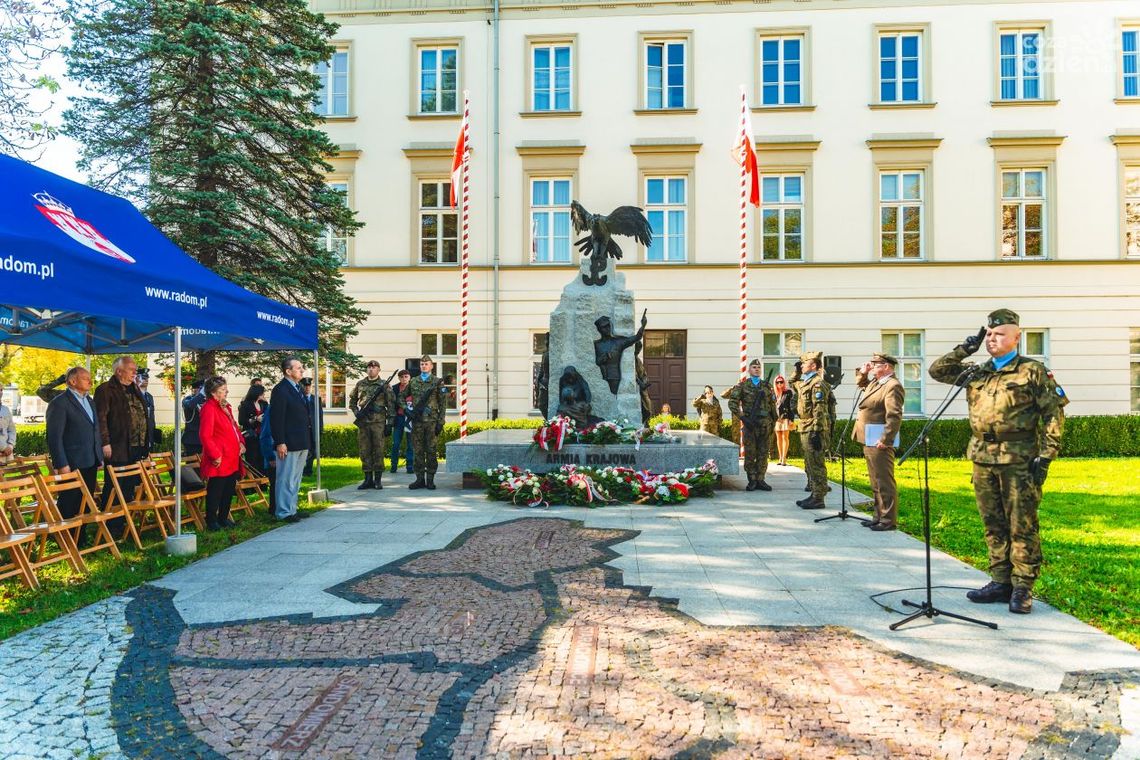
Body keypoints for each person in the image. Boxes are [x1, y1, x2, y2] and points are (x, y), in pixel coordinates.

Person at [929, 309, 1067, 615]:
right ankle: (1000, 580)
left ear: (1017, 338)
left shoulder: (1032, 371)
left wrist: (1046, 456)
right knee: (992, 523)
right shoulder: (979, 372)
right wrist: (965, 349)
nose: (991, 339)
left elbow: (1053, 415)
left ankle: (1023, 586)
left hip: (1019, 459)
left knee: (1021, 524)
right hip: (982, 456)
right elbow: (937, 371)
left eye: (999, 334)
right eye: (989, 334)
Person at [45, 368, 103, 538]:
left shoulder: (90, 401)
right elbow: (54, 437)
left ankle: (80, 537)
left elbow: (95, 429)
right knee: (69, 501)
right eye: (85, 378)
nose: (90, 382)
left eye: (90, 378)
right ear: (72, 381)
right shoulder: (60, 403)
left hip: (90, 459)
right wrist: (61, 464)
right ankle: (65, 538)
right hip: (72, 462)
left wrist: (98, 455)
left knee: (86, 500)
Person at [853, 354, 905, 532]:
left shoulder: (892, 386)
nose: (872, 366)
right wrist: (863, 372)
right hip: (868, 438)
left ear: (886, 366)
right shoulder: (876, 383)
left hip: (879, 440)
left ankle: (888, 520)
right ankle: (878, 516)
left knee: (884, 481)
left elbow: (894, 415)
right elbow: (861, 384)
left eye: (875, 364)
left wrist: (886, 439)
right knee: (875, 481)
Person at [94, 356, 149, 520]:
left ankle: (125, 519)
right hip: (117, 446)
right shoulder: (105, 389)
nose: (134, 373)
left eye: (135, 370)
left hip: (136, 446)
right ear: (119, 371)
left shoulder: (135, 388)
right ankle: (112, 522)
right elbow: (100, 418)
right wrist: (105, 442)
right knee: (114, 485)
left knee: (130, 484)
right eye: (131, 369)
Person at [198, 376, 245, 531]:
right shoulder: (209, 408)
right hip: (220, 456)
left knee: (228, 489)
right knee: (216, 490)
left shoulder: (225, 406)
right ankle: (211, 520)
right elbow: (205, 435)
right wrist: (215, 454)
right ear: (213, 392)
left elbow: (234, 427)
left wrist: (241, 442)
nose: (227, 391)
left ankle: (223, 518)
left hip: (232, 455)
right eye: (223, 389)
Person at [724, 359, 777, 491]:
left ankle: (761, 479)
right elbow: (732, 403)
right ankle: (752, 479)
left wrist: (773, 422)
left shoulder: (767, 386)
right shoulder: (743, 386)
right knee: (750, 453)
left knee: (763, 453)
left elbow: (772, 405)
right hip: (750, 424)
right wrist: (743, 418)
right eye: (754, 367)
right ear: (749, 370)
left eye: (758, 367)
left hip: (765, 424)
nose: (757, 369)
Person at [269, 357, 311, 522]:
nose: (302, 370)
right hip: (288, 442)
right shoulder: (281, 390)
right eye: (298, 368)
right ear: (288, 371)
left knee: (295, 478)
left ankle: (292, 508)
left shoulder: (297, 388)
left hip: (301, 440)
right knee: (286, 478)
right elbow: (277, 418)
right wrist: (280, 442)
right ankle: (283, 511)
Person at [792, 351, 833, 509]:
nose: (802, 366)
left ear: (814, 365)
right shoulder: (806, 382)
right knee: (810, 463)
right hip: (805, 426)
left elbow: (819, 409)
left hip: (813, 428)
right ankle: (814, 493)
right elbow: (792, 382)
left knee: (816, 463)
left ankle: (819, 497)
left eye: (804, 364)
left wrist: (817, 431)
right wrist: (796, 371)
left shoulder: (817, 383)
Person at [349, 360, 396, 489]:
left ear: (378, 370)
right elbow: (352, 401)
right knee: (364, 450)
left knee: (378, 450)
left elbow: (391, 405)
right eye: (369, 367)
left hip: (378, 423)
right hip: (364, 423)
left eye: (374, 367)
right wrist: (357, 412)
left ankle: (378, 480)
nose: (371, 369)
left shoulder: (384, 385)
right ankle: (367, 479)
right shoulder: (360, 384)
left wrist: (389, 424)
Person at [407, 355, 447, 490]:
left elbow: (443, 403)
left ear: (431, 366)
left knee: (431, 451)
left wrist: (441, 421)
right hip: (417, 422)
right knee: (417, 451)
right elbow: (400, 396)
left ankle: (430, 479)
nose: (424, 366)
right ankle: (419, 479)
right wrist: (407, 410)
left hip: (431, 422)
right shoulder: (413, 381)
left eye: (426, 364)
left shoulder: (437, 382)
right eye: (422, 364)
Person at [237, 384, 267, 471]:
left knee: (262, 458)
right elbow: (241, 421)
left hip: (262, 435)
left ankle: (263, 478)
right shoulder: (245, 405)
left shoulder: (264, 404)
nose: (263, 395)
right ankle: (255, 477)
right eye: (262, 393)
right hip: (251, 436)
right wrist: (255, 419)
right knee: (253, 459)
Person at [389, 370, 414, 475]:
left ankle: (410, 466)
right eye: (402, 377)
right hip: (398, 417)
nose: (404, 379)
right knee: (396, 443)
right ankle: (393, 465)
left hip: (410, 418)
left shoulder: (414, 388)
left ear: (409, 377)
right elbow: (390, 403)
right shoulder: (394, 388)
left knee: (410, 444)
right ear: (399, 378)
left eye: (406, 376)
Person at [300, 377, 323, 476]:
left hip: (313, 429)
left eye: (309, 386)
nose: (307, 388)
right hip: (303, 429)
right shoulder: (299, 398)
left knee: (313, 450)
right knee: (303, 450)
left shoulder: (316, 399)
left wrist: (320, 428)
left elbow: (320, 415)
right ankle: (302, 469)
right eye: (305, 386)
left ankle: (308, 470)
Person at [258, 401, 277, 516]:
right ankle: (274, 509)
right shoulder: (272, 410)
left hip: (282, 453)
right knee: (275, 483)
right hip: (273, 454)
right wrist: (270, 456)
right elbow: (265, 435)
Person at [135, 368, 160, 453]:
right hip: (137, 437)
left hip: (149, 435)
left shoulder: (149, 397)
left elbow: (151, 417)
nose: (146, 380)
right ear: (136, 378)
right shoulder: (133, 395)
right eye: (143, 378)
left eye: (147, 378)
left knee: (149, 458)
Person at [773, 375, 795, 466]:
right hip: (777, 419)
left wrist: (791, 419)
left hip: (786, 417)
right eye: (777, 382)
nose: (779, 383)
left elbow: (791, 406)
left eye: (781, 382)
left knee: (785, 437)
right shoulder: (774, 393)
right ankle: (780, 457)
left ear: (784, 382)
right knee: (778, 438)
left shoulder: (788, 392)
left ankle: (784, 458)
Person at [181, 379, 206, 456]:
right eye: (201, 389)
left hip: (204, 439)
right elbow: (191, 405)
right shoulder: (187, 399)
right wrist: (201, 395)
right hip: (192, 440)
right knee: (192, 462)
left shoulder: (206, 400)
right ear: (194, 390)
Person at [0, 390, 15, 464]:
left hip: (6, 454)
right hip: (4, 450)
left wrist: (10, 445)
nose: (0, 392)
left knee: (10, 470)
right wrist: (3, 447)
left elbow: (11, 430)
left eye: (1, 390)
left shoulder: (6, 409)